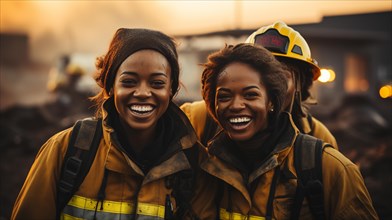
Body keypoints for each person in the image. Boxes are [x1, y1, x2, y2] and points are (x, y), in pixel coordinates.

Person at [12, 28, 211, 220]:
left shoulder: (194, 165)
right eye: (129, 82)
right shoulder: (65, 150)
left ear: (171, 90)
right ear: (110, 86)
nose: (142, 93)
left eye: (157, 83)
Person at [198, 43, 378, 219]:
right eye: (224, 96)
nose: (236, 105)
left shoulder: (328, 166)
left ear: (272, 100)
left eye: (251, 94)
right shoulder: (206, 162)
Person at [181, 21, 338, 149]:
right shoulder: (197, 119)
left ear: (300, 84)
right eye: (256, 78)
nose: (269, 88)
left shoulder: (319, 140)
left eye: (281, 77)